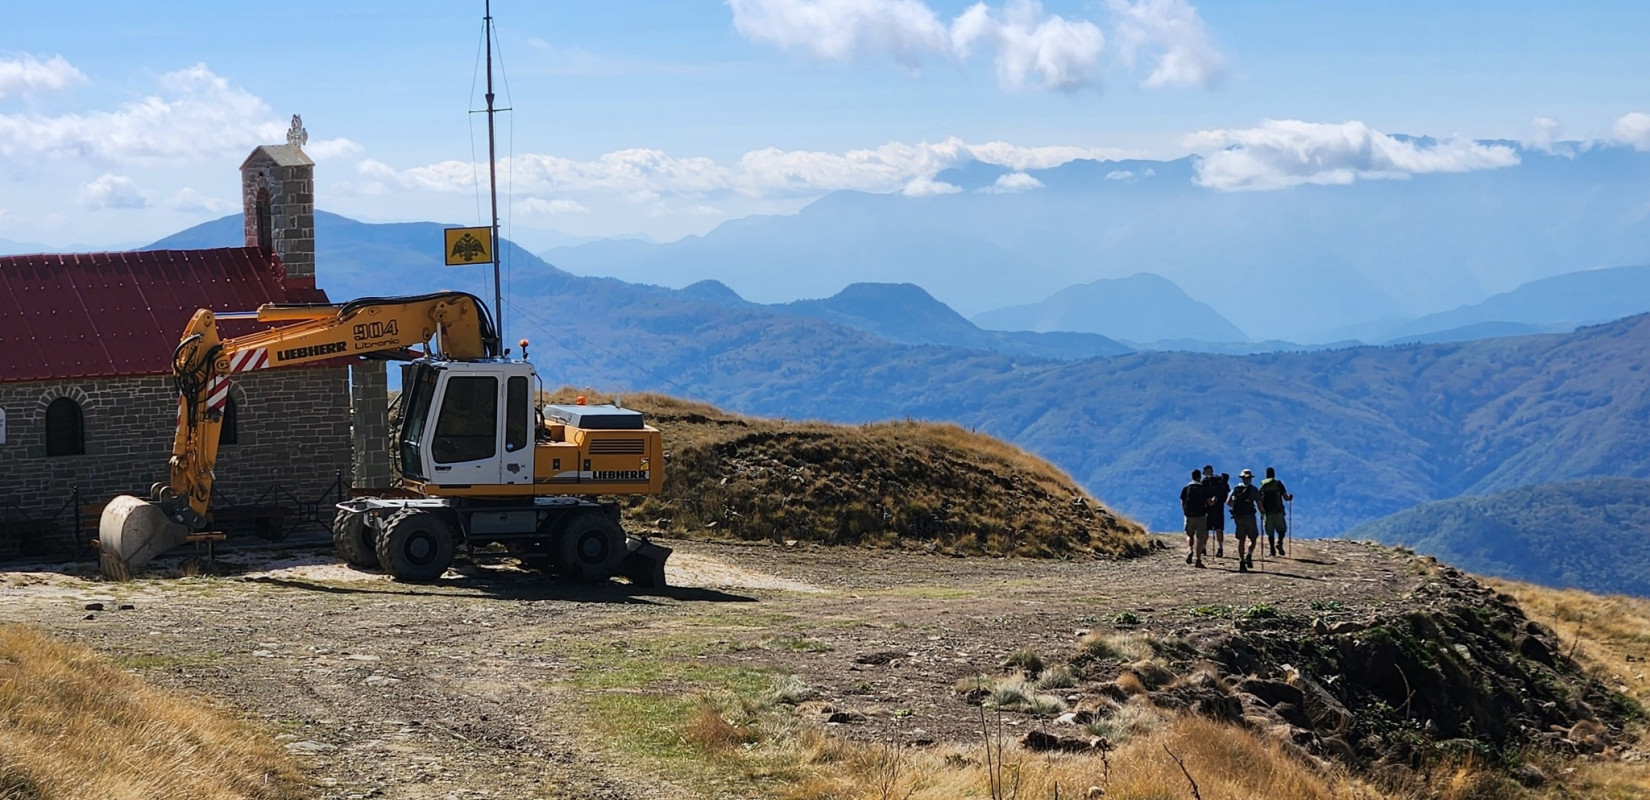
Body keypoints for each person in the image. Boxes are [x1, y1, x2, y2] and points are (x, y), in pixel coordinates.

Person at [1227, 469, 1261, 572]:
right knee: (1253, 537)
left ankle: (1241, 562)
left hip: (1238, 517)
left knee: (1241, 540)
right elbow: (1259, 504)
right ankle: (1249, 555)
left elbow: (1228, 502)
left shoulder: (1236, 489)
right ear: (1250, 478)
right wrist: (1263, 512)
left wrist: (1236, 508)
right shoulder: (1254, 490)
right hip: (1250, 516)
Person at [1180, 468, 1212, 568]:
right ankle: (1198, 559)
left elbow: (1182, 502)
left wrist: (1185, 512)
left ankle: (1190, 550)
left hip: (1189, 516)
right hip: (1201, 515)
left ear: (1192, 476)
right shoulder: (1203, 488)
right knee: (1200, 538)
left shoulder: (1186, 488)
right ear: (1200, 477)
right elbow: (1209, 503)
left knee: (1190, 535)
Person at [1259, 466, 1293, 556]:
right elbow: (1286, 498)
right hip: (1278, 511)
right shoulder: (1278, 484)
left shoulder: (1263, 485)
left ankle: (1272, 550)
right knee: (1282, 530)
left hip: (1267, 512)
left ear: (1266, 475)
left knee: (1270, 533)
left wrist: (1261, 510)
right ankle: (1279, 542)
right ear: (1274, 475)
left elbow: (1259, 499)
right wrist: (1290, 498)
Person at [1203, 466, 1230, 558]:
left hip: (1207, 509)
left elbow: (1201, 496)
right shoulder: (1220, 481)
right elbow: (1226, 496)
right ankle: (1220, 548)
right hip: (1219, 508)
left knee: (1206, 529)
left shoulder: (1204, 482)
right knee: (1219, 528)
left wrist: (1208, 501)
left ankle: (1203, 548)